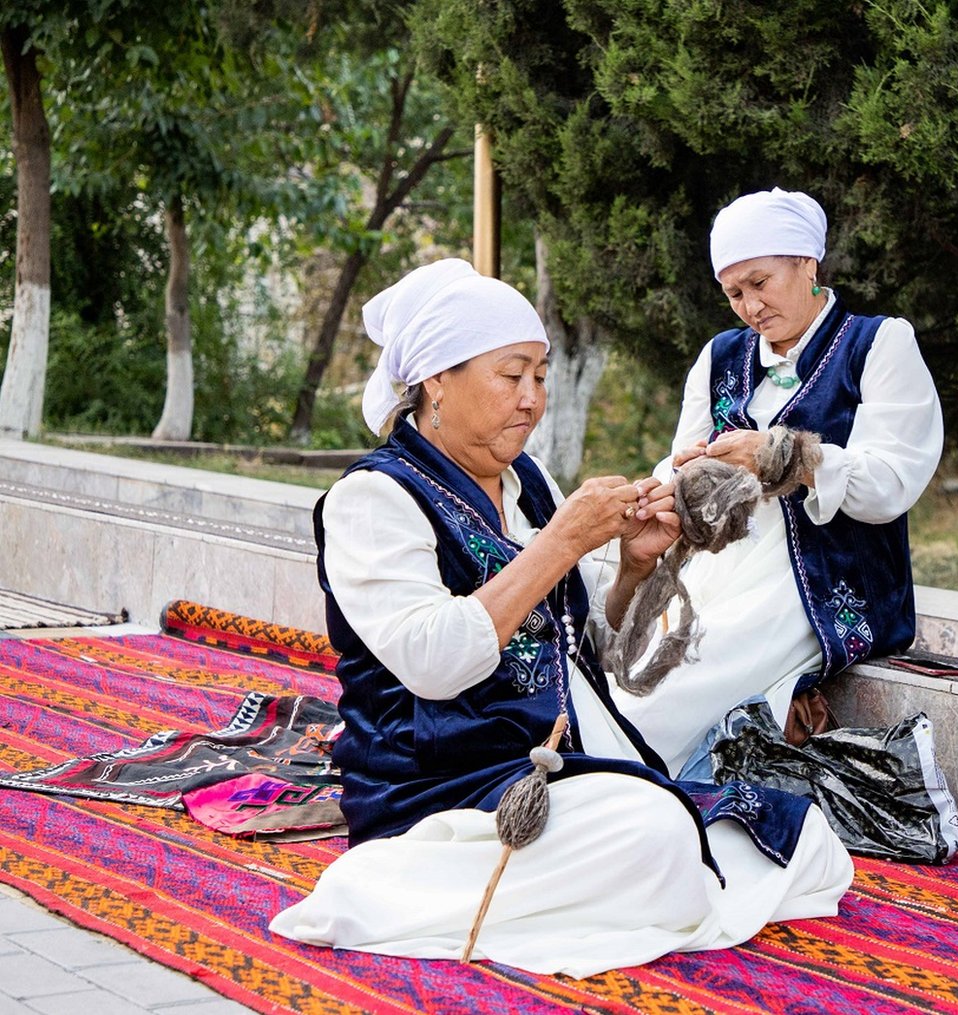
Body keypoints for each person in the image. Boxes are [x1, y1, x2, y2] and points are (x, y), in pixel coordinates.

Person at [268, 259, 853, 977]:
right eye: (511, 374)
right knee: (659, 831)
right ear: (436, 382)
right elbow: (436, 661)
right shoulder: (373, 499)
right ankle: (384, 886)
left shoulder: (531, 484)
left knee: (810, 842)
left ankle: (606, 885)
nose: (531, 399)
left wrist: (636, 567)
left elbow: (597, 657)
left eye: (540, 376)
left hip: (563, 766)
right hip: (440, 785)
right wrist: (562, 542)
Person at [608, 188, 944, 775]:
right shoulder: (720, 356)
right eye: (734, 293)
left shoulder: (878, 343)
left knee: (677, 684)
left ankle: (615, 793)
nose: (749, 306)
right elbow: (676, 463)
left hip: (820, 577)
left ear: (806, 263)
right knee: (632, 668)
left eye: (760, 283)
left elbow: (892, 481)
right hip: (715, 566)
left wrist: (783, 455)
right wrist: (685, 472)